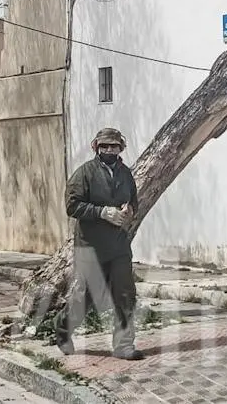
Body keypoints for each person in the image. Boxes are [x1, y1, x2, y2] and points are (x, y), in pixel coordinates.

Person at [54, 127, 144, 360]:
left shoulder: (125, 173)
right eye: (105, 146)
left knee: (125, 293)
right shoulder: (84, 173)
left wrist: (129, 210)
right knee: (87, 296)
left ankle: (123, 346)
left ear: (120, 148)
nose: (109, 150)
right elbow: (72, 206)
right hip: (90, 245)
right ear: (96, 147)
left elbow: (133, 200)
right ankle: (63, 327)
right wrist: (101, 212)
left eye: (114, 146)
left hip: (118, 245)